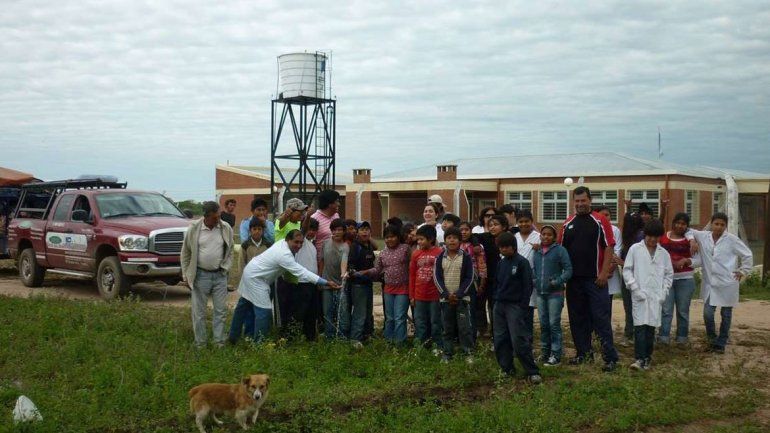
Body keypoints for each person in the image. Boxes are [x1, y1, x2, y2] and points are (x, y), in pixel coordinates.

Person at [234, 229, 340, 342]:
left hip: (252, 271)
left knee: (242, 306)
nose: (299, 245)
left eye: (301, 243)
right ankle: (258, 344)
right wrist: (325, 282)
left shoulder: (281, 243)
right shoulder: (284, 255)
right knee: (264, 312)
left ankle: (232, 338)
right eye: (296, 242)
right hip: (256, 278)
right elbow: (302, 272)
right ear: (287, 240)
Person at [559, 186, 619, 372]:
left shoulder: (600, 221)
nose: (580, 204)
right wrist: (562, 278)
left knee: (600, 318)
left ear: (589, 200)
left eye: (583, 201)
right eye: (576, 201)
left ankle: (610, 358)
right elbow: (561, 252)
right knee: (577, 318)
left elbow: (609, 247)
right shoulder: (567, 223)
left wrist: (603, 272)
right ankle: (583, 354)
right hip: (574, 281)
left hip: (595, 280)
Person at [687, 212, 753, 354]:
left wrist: (743, 270)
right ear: (711, 223)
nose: (719, 227)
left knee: (726, 314)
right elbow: (688, 230)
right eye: (716, 224)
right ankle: (711, 339)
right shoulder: (703, 236)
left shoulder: (731, 240)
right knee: (708, 314)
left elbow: (747, 254)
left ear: (725, 226)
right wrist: (692, 240)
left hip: (728, 283)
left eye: (722, 225)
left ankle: (721, 343)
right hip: (710, 283)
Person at [181, 201, 234, 348]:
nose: (218, 219)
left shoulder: (225, 227)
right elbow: (185, 253)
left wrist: (226, 267)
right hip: (200, 275)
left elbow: (229, 251)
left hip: (220, 275)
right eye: (215, 216)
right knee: (199, 313)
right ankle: (200, 344)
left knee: (221, 311)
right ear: (207, 216)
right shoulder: (194, 229)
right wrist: (186, 275)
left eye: (219, 215)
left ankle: (219, 343)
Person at [622, 220, 674, 370]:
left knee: (651, 328)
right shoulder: (635, 249)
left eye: (656, 237)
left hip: (656, 296)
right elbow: (627, 270)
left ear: (660, 237)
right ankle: (639, 359)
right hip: (640, 294)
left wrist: (664, 292)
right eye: (650, 236)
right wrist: (634, 288)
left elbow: (669, 275)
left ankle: (647, 358)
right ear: (645, 235)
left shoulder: (663, 254)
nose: (652, 240)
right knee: (639, 327)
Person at [492, 232, 541, 384]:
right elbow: (497, 283)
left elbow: (528, 286)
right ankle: (507, 369)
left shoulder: (522, 262)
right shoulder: (501, 263)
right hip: (500, 304)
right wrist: (496, 299)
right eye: (501, 247)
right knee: (500, 338)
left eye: (506, 247)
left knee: (518, 340)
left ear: (513, 247)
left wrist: (523, 306)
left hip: (515, 306)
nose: (504, 250)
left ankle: (532, 371)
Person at [356, 224, 411, 345]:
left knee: (399, 317)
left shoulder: (406, 249)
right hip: (388, 290)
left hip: (403, 289)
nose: (389, 239)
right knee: (390, 317)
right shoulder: (383, 253)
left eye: (392, 237)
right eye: (387, 237)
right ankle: (389, 342)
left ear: (398, 237)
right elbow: (377, 269)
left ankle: (399, 343)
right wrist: (365, 272)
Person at [434, 227, 475, 363]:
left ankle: (468, 352)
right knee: (447, 328)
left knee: (464, 328)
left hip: (462, 299)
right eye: (449, 238)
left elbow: (469, 277)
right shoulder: (440, 257)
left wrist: (458, 294)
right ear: (445, 240)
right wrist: (446, 294)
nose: (452, 240)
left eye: (455, 238)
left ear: (460, 240)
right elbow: (437, 277)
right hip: (446, 300)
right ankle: (447, 353)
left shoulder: (466, 257)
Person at [533, 225, 572, 367]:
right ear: (540, 235)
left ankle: (556, 355)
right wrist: (534, 280)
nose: (546, 237)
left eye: (549, 235)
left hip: (555, 294)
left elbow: (568, 270)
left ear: (554, 237)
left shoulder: (560, 251)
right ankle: (545, 352)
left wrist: (557, 281)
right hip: (540, 293)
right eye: (543, 234)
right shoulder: (537, 252)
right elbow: (534, 269)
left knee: (553, 324)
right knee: (543, 324)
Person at [228, 217, 272, 343]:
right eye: (254, 229)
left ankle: (258, 336)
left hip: (262, 283)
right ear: (250, 230)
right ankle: (244, 335)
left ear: (263, 230)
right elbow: (241, 264)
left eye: (259, 229)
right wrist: (244, 282)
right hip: (248, 283)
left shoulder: (268, 245)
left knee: (259, 310)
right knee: (245, 309)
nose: (257, 232)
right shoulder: (245, 245)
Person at [658, 213, 699, 345]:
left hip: (685, 279)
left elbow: (699, 260)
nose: (680, 226)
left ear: (687, 226)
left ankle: (682, 337)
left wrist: (686, 260)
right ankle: (663, 337)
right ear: (673, 223)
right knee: (666, 310)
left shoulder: (692, 241)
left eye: (683, 224)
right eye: (678, 222)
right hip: (667, 279)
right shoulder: (664, 238)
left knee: (683, 310)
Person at [274, 198, 310, 327]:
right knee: (282, 306)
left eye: (303, 211)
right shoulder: (281, 222)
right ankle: (281, 334)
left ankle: (290, 334)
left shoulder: (297, 224)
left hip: (292, 270)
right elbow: (281, 223)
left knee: (292, 305)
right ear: (290, 211)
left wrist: (308, 216)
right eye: (299, 211)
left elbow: (303, 231)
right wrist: (286, 214)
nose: (302, 214)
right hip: (281, 271)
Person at [409, 224, 444, 353]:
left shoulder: (440, 253)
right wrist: (411, 296)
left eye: (422, 239)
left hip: (435, 295)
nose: (419, 242)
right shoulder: (415, 254)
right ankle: (421, 346)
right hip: (419, 296)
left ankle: (438, 346)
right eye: (418, 239)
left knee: (436, 322)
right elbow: (412, 275)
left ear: (431, 239)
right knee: (420, 322)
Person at [343, 221, 377, 346]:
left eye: (367, 229)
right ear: (357, 232)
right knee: (360, 313)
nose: (365, 232)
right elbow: (350, 268)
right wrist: (362, 273)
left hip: (368, 284)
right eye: (362, 229)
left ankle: (366, 335)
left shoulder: (369, 245)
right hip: (357, 286)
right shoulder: (355, 247)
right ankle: (355, 338)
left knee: (368, 312)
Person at [289, 218, 321, 341]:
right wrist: (308, 215)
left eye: (315, 230)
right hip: (301, 284)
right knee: (298, 313)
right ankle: (292, 339)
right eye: (310, 229)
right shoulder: (301, 243)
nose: (312, 232)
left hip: (312, 284)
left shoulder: (312, 245)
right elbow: (303, 229)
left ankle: (310, 338)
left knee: (311, 314)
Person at [617, 211, 645, 346]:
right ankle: (630, 333)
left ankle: (633, 334)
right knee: (629, 307)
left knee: (634, 307)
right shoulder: (628, 238)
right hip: (627, 278)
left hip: (637, 279)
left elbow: (639, 263)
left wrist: (621, 262)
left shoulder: (640, 237)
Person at [477, 215, 508, 335]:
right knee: (490, 306)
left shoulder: (508, 238)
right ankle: (492, 332)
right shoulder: (486, 237)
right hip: (489, 278)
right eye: (490, 225)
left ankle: (502, 332)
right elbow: (474, 237)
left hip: (504, 279)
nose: (492, 227)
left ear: (504, 226)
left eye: (495, 224)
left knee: (500, 307)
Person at [321, 218, 349, 339]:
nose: (337, 232)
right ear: (331, 230)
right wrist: (319, 279)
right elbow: (321, 261)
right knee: (327, 312)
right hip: (326, 283)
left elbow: (344, 261)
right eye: (335, 229)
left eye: (340, 230)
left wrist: (343, 274)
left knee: (342, 313)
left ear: (344, 232)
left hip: (340, 285)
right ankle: (329, 337)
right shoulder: (325, 243)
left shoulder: (345, 246)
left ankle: (342, 338)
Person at [514, 210, 540, 340]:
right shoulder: (514, 237)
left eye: (527, 221)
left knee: (528, 310)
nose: (524, 224)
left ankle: (528, 341)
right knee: (516, 311)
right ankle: (517, 341)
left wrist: (539, 249)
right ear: (517, 223)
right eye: (521, 221)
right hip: (514, 278)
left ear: (532, 222)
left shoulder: (539, 236)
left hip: (531, 278)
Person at [459, 221, 487, 340]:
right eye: (461, 230)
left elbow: (482, 266)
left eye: (466, 229)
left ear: (471, 231)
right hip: (457, 283)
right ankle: (460, 338)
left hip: (473, 283)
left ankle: (472, 339)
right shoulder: (455, 244)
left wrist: (482, 283)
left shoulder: (476, 247)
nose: (464, 232)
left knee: (472, 311)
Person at [596, 206, 623, 311]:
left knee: (607, 304)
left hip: (610, 273)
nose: (604, 217)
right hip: (595, 272)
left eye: (607, 215)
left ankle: (606, 327)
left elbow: (617, 251)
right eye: (601, 215)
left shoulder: (615, 230)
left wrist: (607, 270)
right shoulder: (593, 228)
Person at [311, 189, 341, 269]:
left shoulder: (336, 216)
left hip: (337, 261)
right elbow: (311, 242)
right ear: (330, 204)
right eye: (337, 201)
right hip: (321, 264)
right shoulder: (314, 218)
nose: (339, 204)